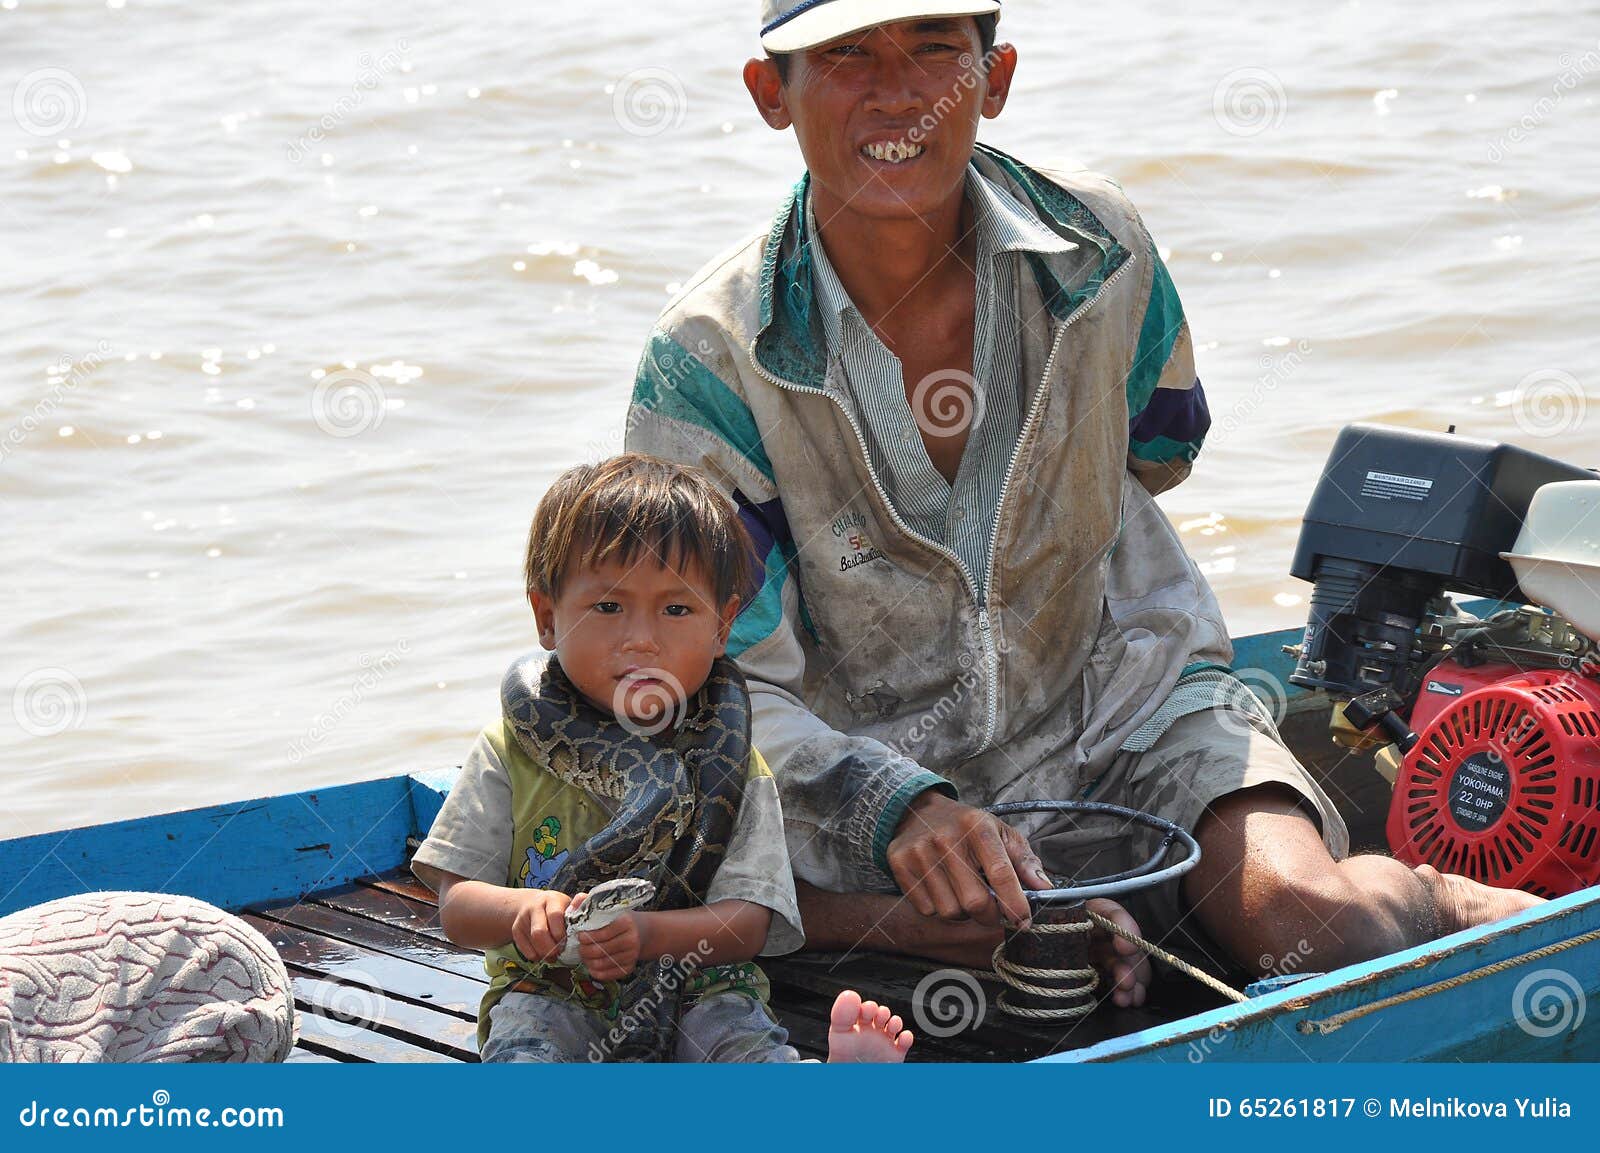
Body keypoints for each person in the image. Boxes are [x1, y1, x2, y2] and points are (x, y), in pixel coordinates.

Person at [623, 0, 1541, 1003]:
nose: (897, 92)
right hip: (881, 796)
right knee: (772, 915)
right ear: (771, 94)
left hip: (1133, 708)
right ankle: (1022, 920)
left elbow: (1159, 445)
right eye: (843, 55)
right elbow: (708, 689)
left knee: (1306, 923)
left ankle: (1439, 902)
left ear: (996, 77)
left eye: (935, 49)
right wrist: (893, 805)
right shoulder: (708, 364)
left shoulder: (1102, 250)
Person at [410, 454, 914, 1062]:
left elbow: (748, 923)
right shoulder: (508, 751)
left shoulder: (737, 762)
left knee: (739, 1043)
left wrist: (650, 935)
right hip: (551, 988)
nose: (641, 638)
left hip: (703, 985)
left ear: (723, 626)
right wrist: (522, 910)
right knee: (525, 1051)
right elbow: (458, 907)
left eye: (676, 610)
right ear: (547, 618)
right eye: (608, 607)